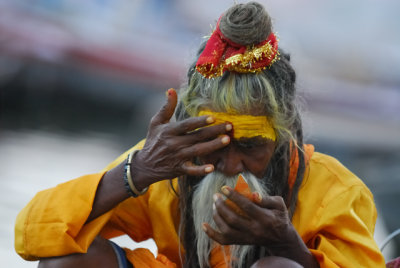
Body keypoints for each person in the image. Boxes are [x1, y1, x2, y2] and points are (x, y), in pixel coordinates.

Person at [15, 2, 385, 267]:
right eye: (215, 144)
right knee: (64, 261)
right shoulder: (165, 170)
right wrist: (139, 170)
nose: (230, 164)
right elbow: (33, 236)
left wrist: (285, 242)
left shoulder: (336, 190)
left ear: (283, 131)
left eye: (251, 145)